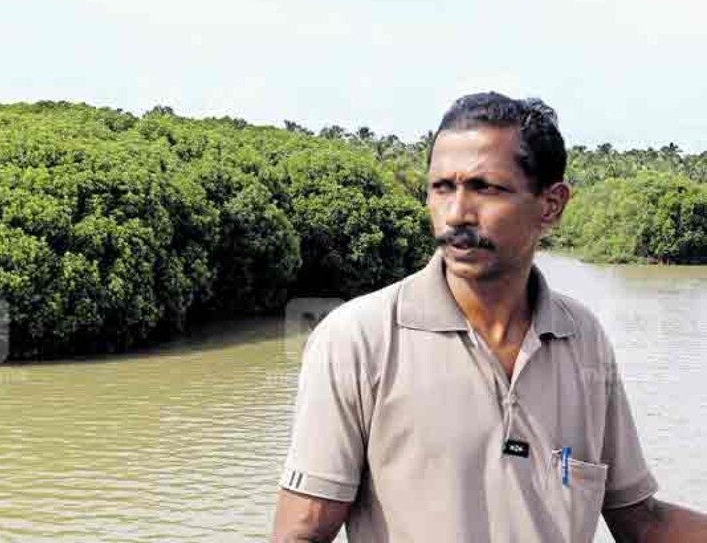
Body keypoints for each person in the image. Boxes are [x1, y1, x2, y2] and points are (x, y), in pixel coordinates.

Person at [271, 92, 707, 542]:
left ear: (551, 204)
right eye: (442, 187)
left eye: (486, 188)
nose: (457, 213)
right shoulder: (358, 339)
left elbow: (641, 522)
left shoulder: (583, 339)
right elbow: (301, 532)